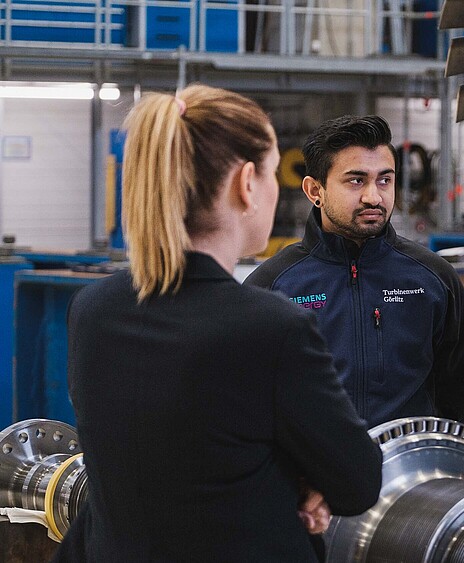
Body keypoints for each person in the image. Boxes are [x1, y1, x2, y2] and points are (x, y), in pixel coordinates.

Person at [54, 85, 383, 562]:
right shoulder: (272, 329)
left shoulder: (92, 311)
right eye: (273, 174)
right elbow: (357, 482)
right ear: (246, 183)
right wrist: (299, 482)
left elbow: (161, 463)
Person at [245, 115, 464, 428]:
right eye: (356, 180)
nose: (374, 196)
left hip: (407, 469)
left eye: (385, 180)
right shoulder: (272, 287)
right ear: (315, 190)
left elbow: (456, 397)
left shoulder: (434, 279)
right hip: (309, 473)